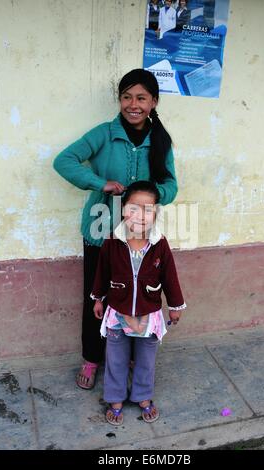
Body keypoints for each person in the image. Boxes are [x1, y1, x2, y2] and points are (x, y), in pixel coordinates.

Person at [53, 69, 178, 390]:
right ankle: (92, 359)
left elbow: (172, 186)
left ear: (153, 102)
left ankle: (132, 358)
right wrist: (100, 183)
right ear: (120, 100)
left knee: (137, 298)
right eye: (126, 97)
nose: (132, 104)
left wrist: (148, 195)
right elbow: (64, 161)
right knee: (96, 297)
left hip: (140, 239)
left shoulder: (161, 141)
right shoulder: (104, 133)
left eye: (141, 98)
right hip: (100, 232)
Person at [92, 181, 186, 425]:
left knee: (146, 360)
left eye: (148, 209)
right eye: (134, 208)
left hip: (149, 315)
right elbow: (102, 273)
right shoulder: (112, 242)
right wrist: (98, 299)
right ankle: (114, 398)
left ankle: (143, 396)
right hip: (117, 314)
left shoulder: (159, 244)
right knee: (115, 359)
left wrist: (175, 307)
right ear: (123, 209)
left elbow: (170, 278)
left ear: (156, 212)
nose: (141, 215)